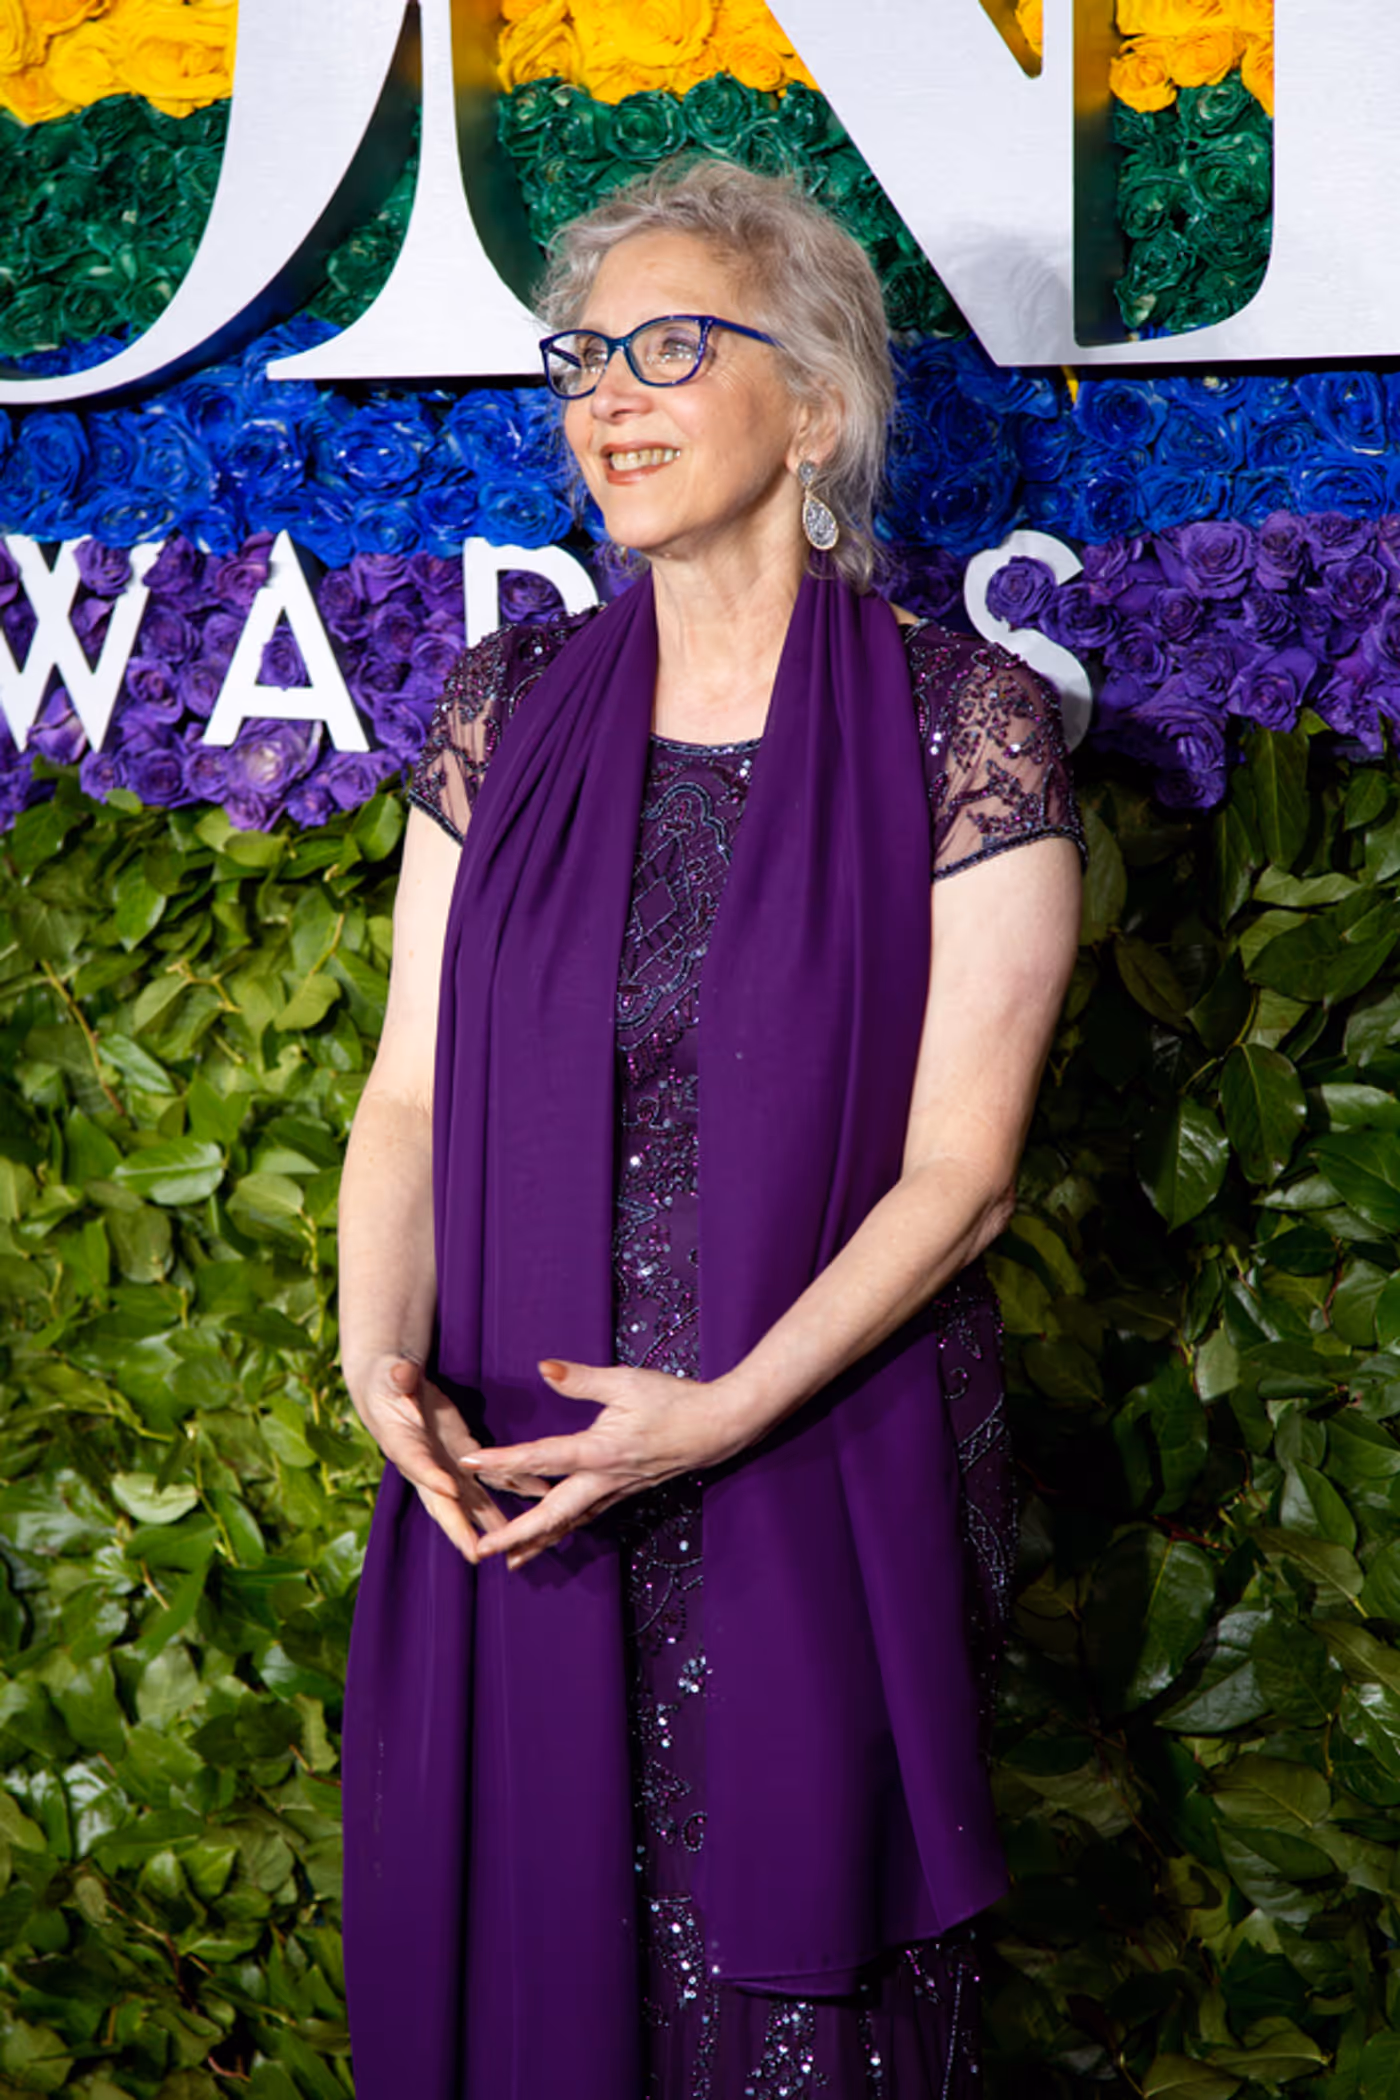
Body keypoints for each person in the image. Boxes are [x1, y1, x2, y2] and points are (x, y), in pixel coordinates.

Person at [336, 158, 1084, 2100]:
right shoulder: (500, 709)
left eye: (672, 348)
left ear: (815, 406)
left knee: (787, 2011)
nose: (608, 399)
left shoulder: (966, 723)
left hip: (805, 1468)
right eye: (584, 357)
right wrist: (371, 1358)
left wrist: (724, 1410)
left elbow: (963, 1173)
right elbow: (407, 1088)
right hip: (513, 1476)